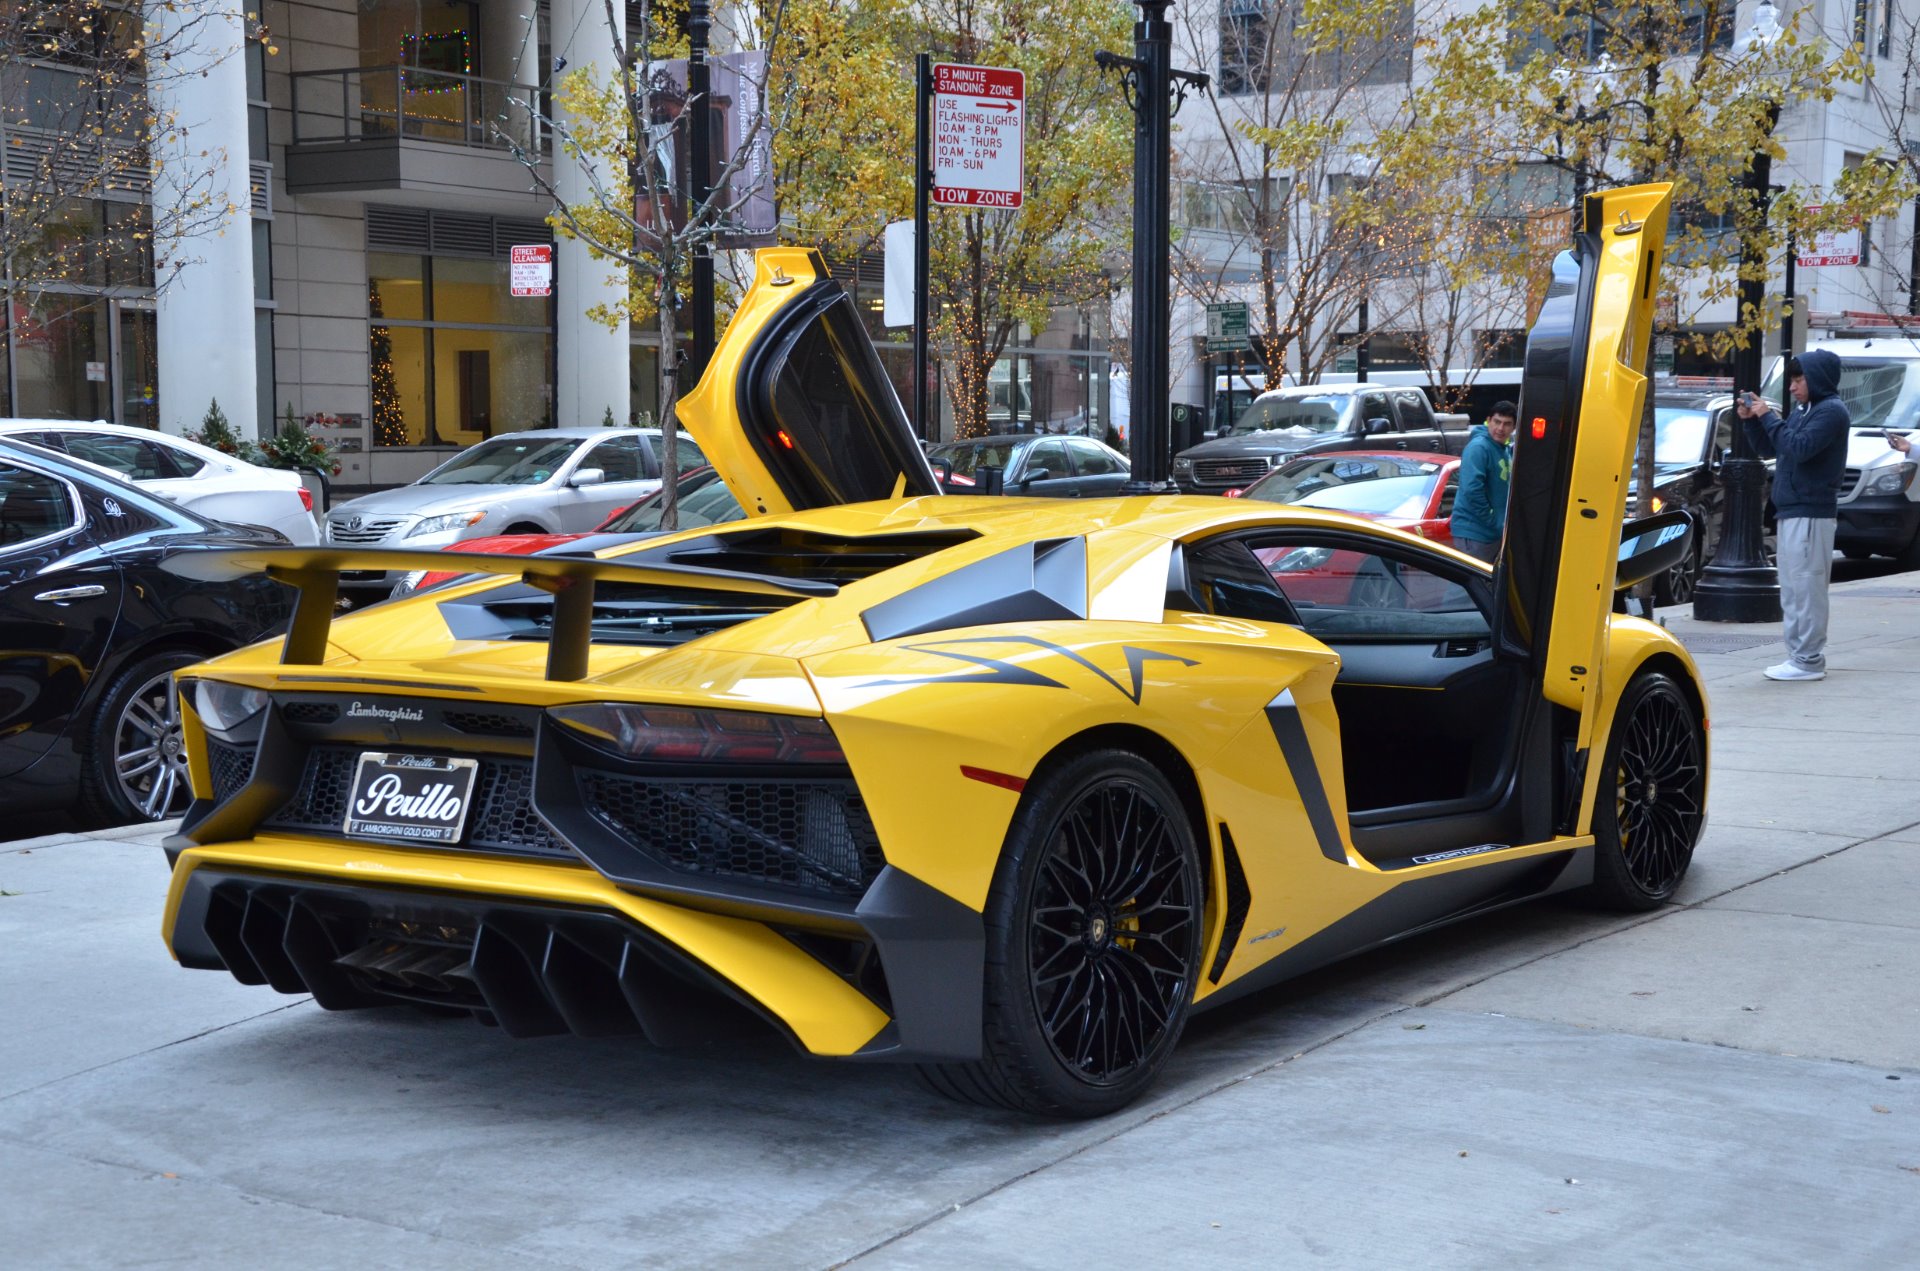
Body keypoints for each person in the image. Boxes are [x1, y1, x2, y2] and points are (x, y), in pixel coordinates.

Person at [1736, 350, 1851, 682]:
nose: (1792, 387)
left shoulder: (1831, 412)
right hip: (1793, 510)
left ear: (1816, 379)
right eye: (1792, 380)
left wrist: (1768, 416)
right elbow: (1774, 449)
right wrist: (1754, 422)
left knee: (1806, 587)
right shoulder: (1806, 410)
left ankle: (1808, 659)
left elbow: (1800, 447)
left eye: (1798, 380)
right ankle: (1799, 657)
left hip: (1811, 512)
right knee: (1793, 588)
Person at [1448, 400, 1517, 563]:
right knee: (1468, 586)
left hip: (1490, 534)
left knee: (1483, 586)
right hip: (1473, 533)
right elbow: (1472, 490)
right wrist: (1492, 520)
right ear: (1488, 420)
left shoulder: (1503, 449)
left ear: (1514, 428)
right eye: (1497, 422)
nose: (1500, 428)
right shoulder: (1479, 448)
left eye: (1507, 424)